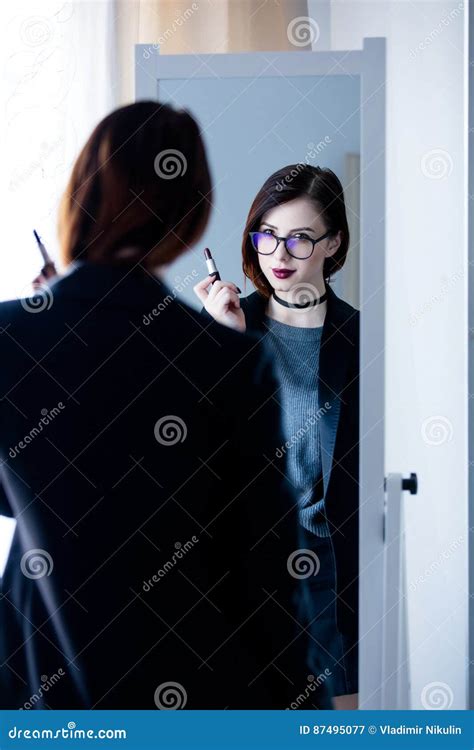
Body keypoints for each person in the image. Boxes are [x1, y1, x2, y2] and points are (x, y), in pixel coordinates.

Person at [0, 103, 330, 710]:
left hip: (45, 694)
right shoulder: (227, 359)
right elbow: (266, 564)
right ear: (192, 219)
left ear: (80, 197)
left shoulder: (9, 339)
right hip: (200, 690)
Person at [195, 164, 360, 709]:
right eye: (267, 237)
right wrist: (221, 348)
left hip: (334, 574)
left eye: (300, 238)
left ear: (333, 243)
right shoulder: (228, 326)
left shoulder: (364, 339)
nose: (279, 256)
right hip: (247, 567)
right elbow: (191, 461)